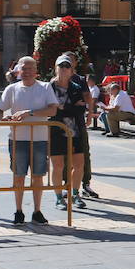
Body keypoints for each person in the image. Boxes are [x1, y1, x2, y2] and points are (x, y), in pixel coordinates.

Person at [0, 56, 59, 224]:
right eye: (24, 68)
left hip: (39, 138)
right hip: (18, 138)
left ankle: (37, 211)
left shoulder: (45, 87)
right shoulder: (11, 89)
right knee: (18, 176)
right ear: (18, 71)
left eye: (30, 68)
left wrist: (29, 112)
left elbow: (53, 110)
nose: (27, 72)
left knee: (38, 175)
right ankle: (18, 210)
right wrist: (4, 118)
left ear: (36, 71)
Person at [49, 54, 91, 211]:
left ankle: (75, 194)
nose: (64, 69)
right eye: (61, 66)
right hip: (56, 131)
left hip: (75, 130)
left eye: (67, 66)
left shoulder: (76, 87)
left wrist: (63, 108)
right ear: (56, 68)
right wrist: (69, 108)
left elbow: (81, 109)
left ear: (72, 70)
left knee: (79, 164)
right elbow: (52, 110)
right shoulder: (49, 87)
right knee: (58, 165)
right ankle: (59, 197)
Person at [59, 51, 100, 200]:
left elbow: (87, 98)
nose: (66, 64)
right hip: (63, 122)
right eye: (63, 62)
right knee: (64, 154)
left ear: (75, 63)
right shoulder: (55, 81)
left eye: (70, 61)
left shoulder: (80, 80)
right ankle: (66, 184)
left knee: (84, 152)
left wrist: (89, 114)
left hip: (78, 121)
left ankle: (85, 183)